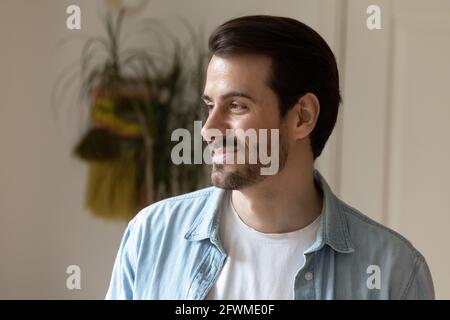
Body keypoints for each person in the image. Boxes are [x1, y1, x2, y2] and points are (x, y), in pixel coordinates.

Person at [106, 15, 434, 299]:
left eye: (236, 106)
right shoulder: (150, 236)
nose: (208, 129)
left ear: (302, 117)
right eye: (210, 106)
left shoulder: (394, 272)